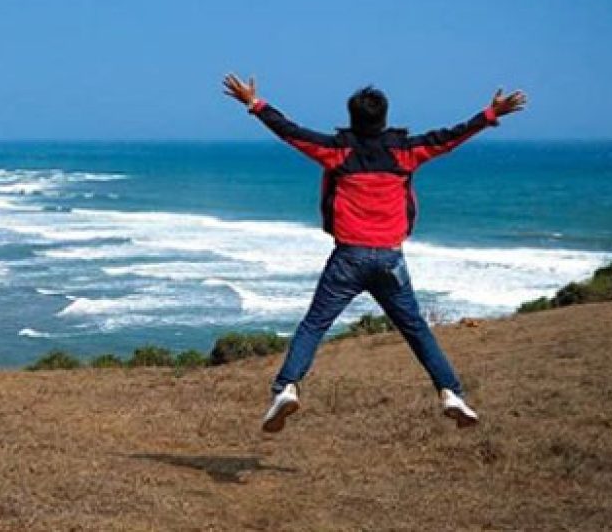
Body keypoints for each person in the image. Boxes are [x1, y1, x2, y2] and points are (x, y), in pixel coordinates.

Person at [222, 73, 527, 432]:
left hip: (349, 258)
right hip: (389, 258)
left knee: (315, 325)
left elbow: (290, 131)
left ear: (352, 118)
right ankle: (451, 392)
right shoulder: (406, 152)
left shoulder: (337, 151)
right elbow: (450, 137)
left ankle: (287, 387)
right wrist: (491, 113)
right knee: (416, 329)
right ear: (384, 118)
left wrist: (254, 104)